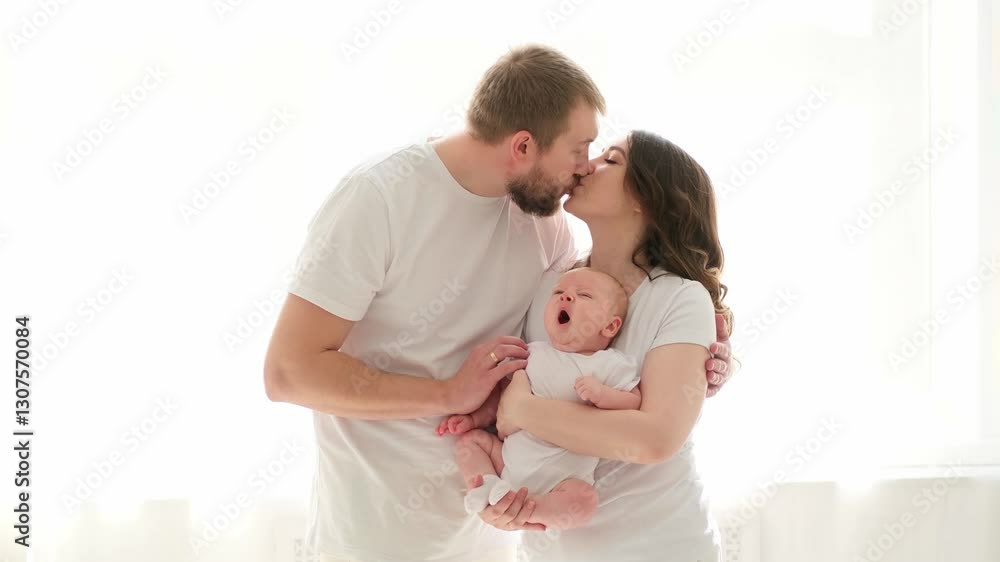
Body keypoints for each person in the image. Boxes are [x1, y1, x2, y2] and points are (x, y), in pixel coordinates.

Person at [263, 45, 733, 562]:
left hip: (500, 531)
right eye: (581, 149)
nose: (584, 168)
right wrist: (448, 394)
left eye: (602, 155)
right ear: (524, 145)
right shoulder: (379, 198)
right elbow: (287, 373)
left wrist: (699, 365)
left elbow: (579, 361)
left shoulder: (545, 227)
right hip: (379, 536)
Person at [493, 130, 733, 561]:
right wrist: (496, 498)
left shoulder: (679, 297)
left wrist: (523, 409)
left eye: (611, 159)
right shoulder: (552, 285)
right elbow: (517, 399)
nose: (586, 165)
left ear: (646, 200)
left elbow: (654, 440)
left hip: (658, 548)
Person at [441, 267, 640, 531]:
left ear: (610, 326)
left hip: (563, 478)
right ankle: (486, 486)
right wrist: (475, 419)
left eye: (584, 295)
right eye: (558, 292)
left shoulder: (608, 364)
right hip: (509, 462)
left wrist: (603, 395)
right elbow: (501, 399)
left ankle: (529, 508)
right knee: (470, 443)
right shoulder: (532, 352)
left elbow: (633, 401)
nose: (566, 297)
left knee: (584, 501)